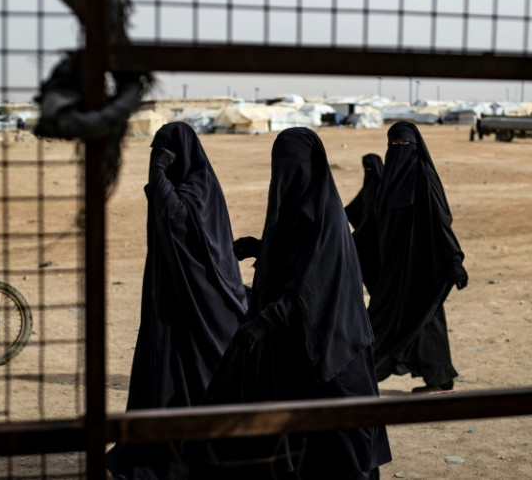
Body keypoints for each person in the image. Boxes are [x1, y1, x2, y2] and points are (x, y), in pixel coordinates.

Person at [188, 127, 391, 480]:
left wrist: (264, 321)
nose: (283, 172)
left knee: (344, 431)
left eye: (291, 163)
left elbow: (311, 282)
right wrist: (260, 248)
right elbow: (295, 254)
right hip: (298, 336)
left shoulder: (324, 215)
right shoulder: (294, 206)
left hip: (332, 342)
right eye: (277, 164)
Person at [106, 122, 247, 480]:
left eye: (163, 151)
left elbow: (177, 220)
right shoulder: (176, 186)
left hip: (202, 303)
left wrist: (157, 173)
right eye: (154, 152)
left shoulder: (199, 185)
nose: (157, 158)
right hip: (171, 299)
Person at [352, 121, 468, 393]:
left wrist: (454, 260)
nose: (399, 149)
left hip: (422, 266)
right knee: (388, 317)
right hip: (392, 269)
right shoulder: (388, 182)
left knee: (424, 318)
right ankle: (437, 380)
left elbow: (441, 221)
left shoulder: (423, 179)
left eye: (405, 144)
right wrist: (346, 246)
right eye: (394, 144)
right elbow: (371, 223)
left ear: (416, 147)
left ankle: (364, 376)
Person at [344, 153, 384, 230]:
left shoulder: (384, 188)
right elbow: (353, 207)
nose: (368, 171)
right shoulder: (367, 187)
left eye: (370, 168)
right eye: (366, 168)